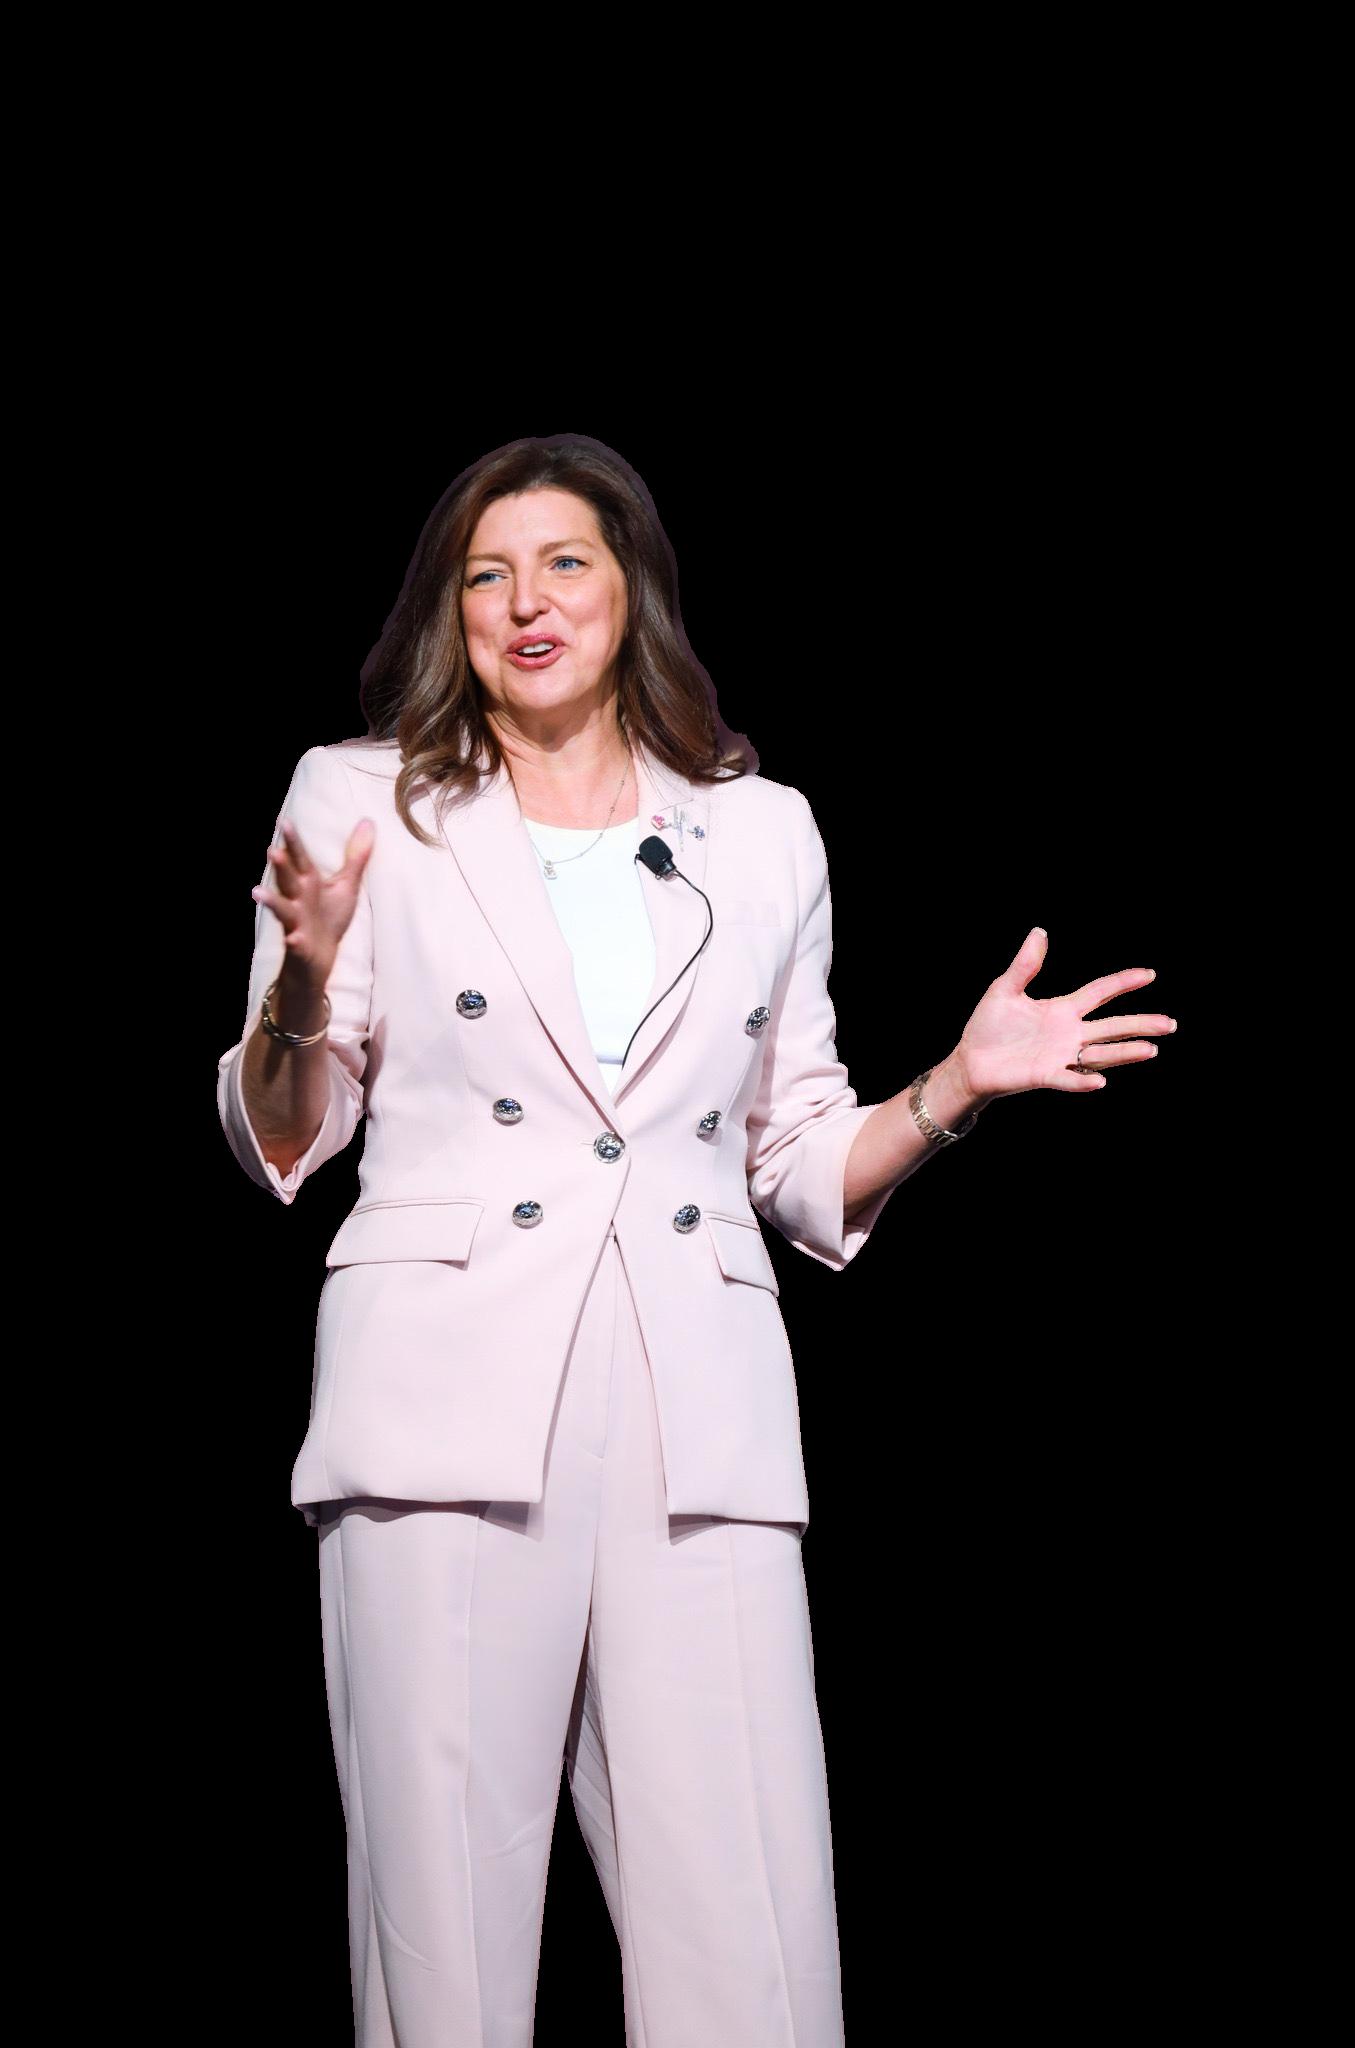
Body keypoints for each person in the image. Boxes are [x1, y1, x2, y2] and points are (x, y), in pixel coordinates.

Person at [216, 434, 1175, 2047]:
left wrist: (952, 1088)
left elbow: (795, 1158)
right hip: (447, 1395)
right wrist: (301, 985)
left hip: (695, 1405)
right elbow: (285, 1131)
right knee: (442, 1949)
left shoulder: (759, 830)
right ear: (452, 613)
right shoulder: (363, 799)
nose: (525, 602)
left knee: (753, 1941)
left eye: (562, 564)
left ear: (629, 591)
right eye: (485, 575)